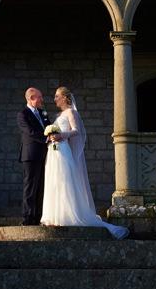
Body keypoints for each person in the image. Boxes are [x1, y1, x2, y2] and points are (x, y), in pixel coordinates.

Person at [40, 86, 129, 239]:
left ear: (64, 98)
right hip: (54, 151)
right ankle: (53, 216)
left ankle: (66, 215)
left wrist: (62, 135)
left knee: (65, 182)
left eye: (56, 96)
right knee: (54, 181)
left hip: (64, 150)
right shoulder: (59, 114)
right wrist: (50, 137)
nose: (54, 99)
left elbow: (76, 131)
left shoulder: (71, 112)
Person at [17, 86, 49, 225]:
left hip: (45, 155)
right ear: (31, 98)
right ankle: (28, 218)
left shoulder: (43, 113)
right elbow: (29, 132)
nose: (42, 99)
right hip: (30, 155)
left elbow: (49, 126)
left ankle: (38, 216)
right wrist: (47, 139)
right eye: (39, 97)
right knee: (30, 187)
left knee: (41, 187)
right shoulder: (23, 114)